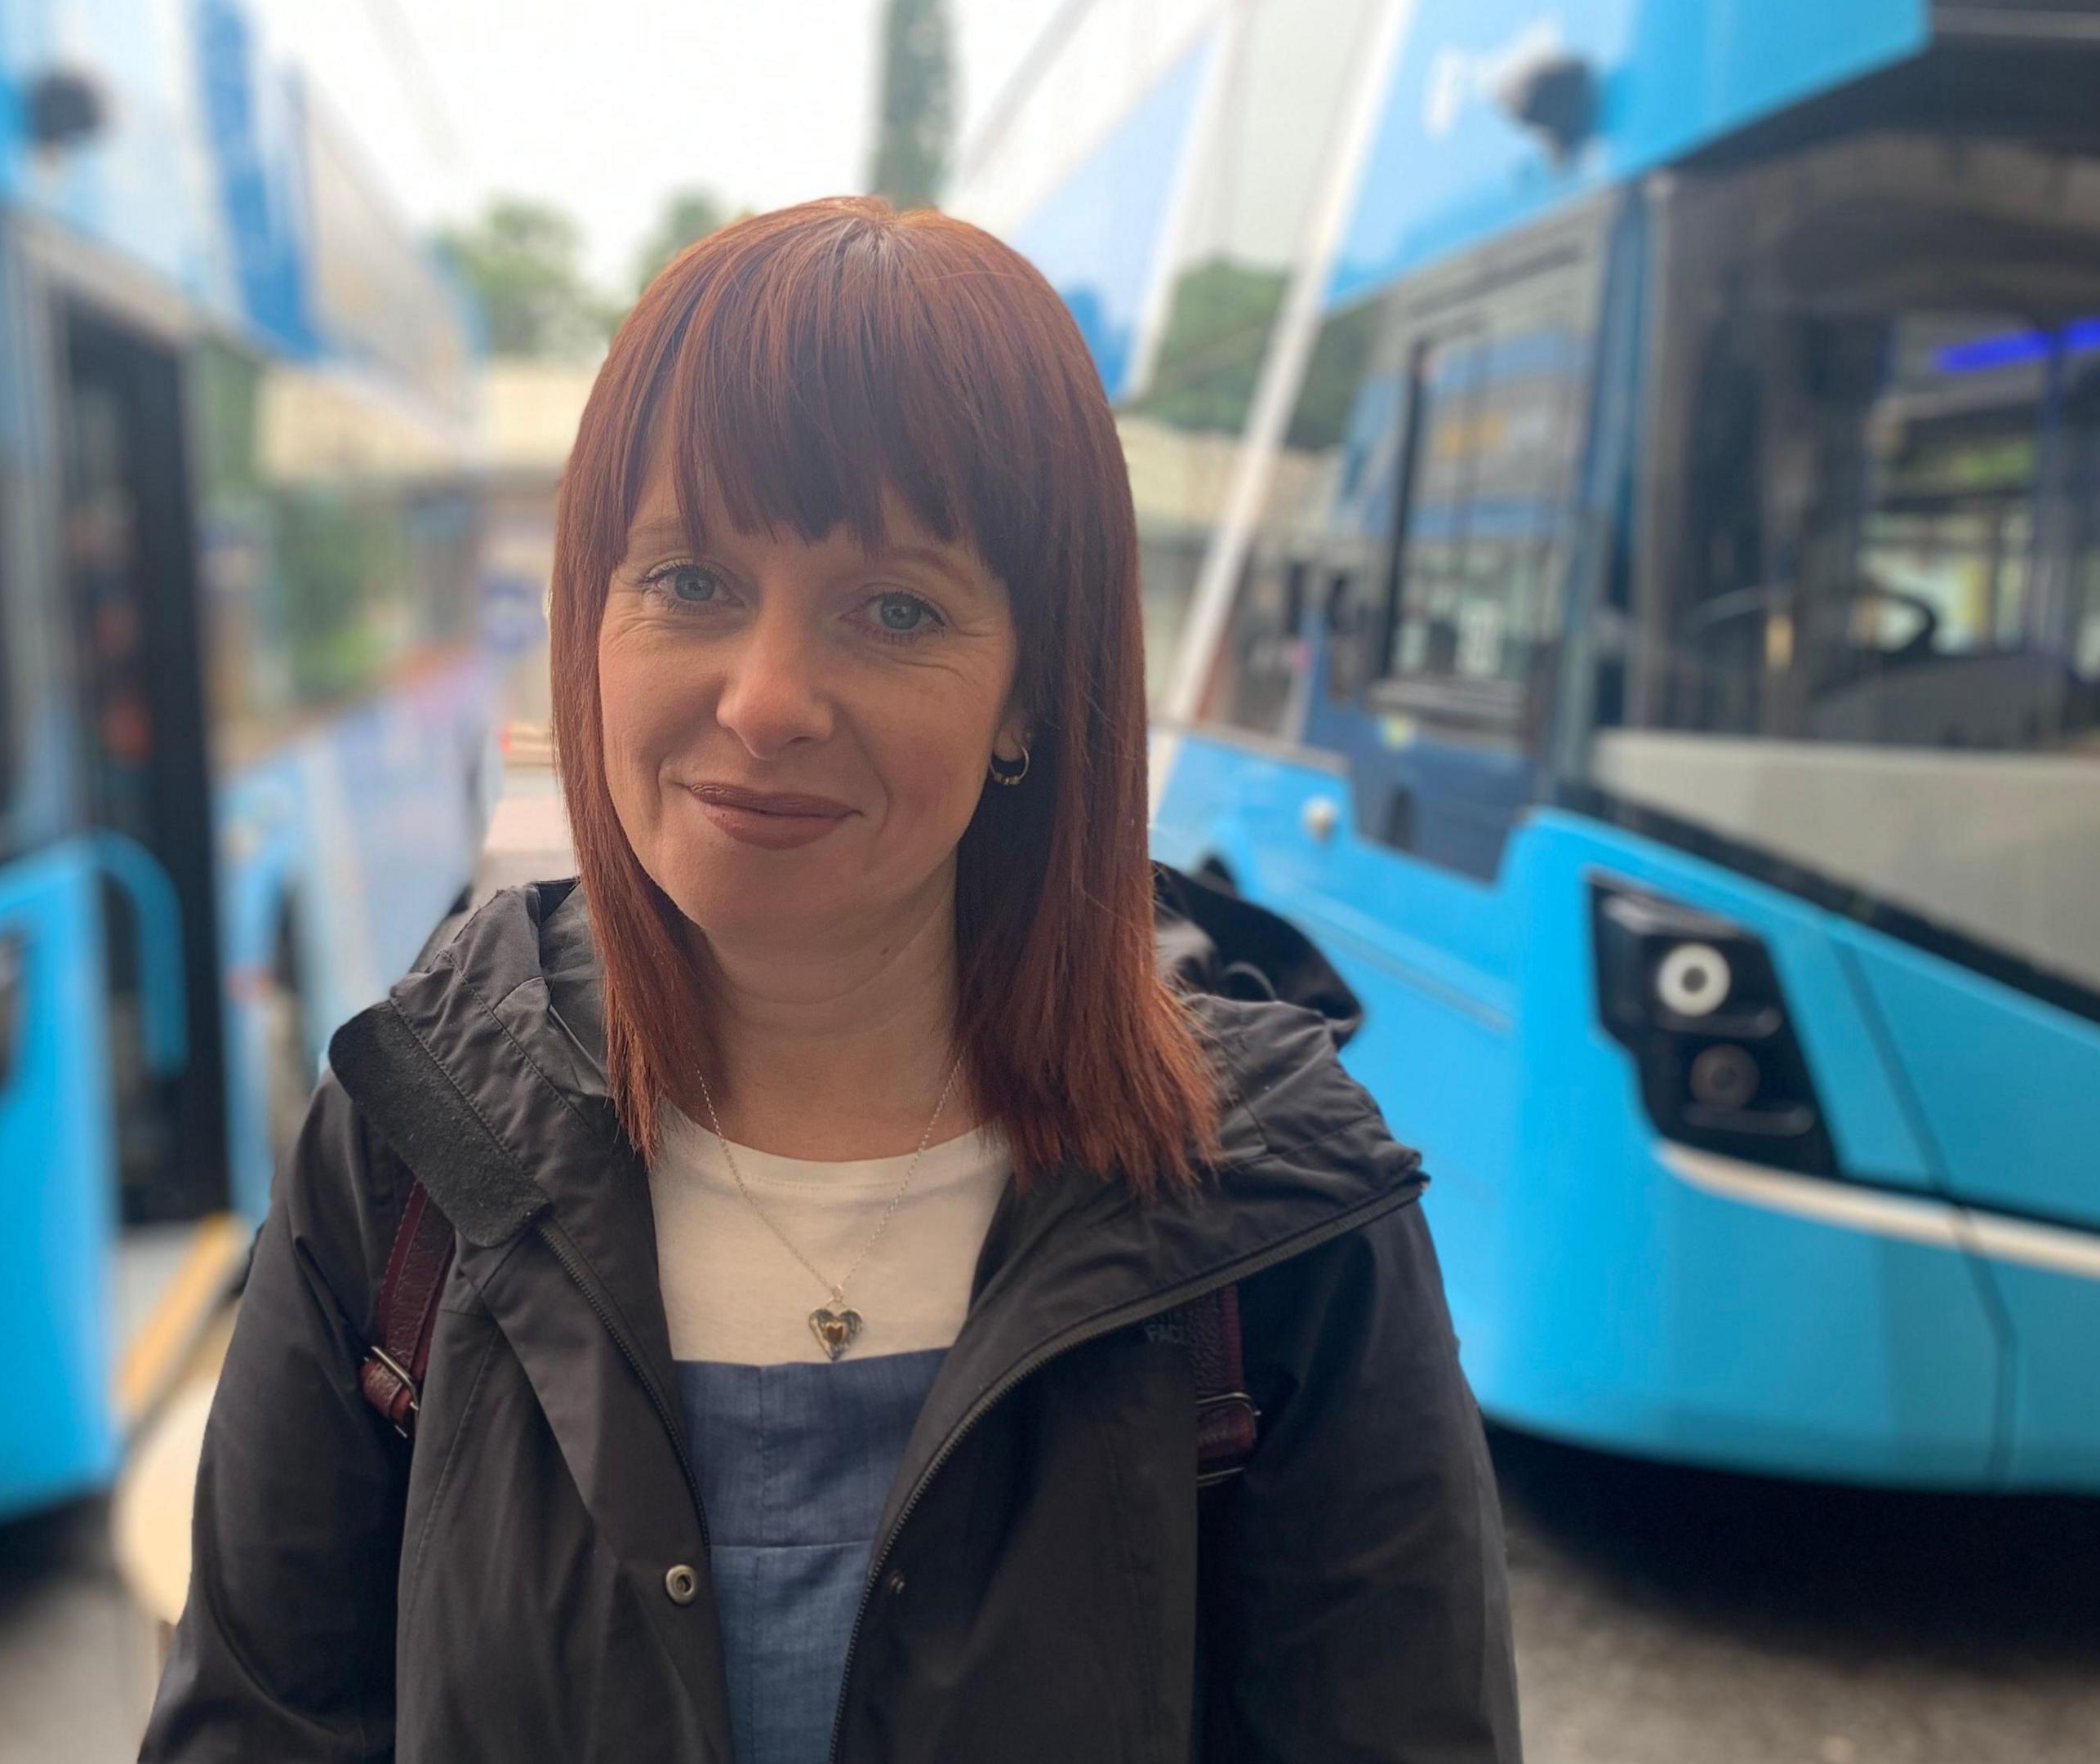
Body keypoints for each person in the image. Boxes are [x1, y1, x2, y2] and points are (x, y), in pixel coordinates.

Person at [140, 197, 1519, 1764]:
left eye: (896, 609)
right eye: (689, 581)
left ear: (1030, 694)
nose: (769, 698)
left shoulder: (1273, 1210)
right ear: (587, 621)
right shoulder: (415, 1139)